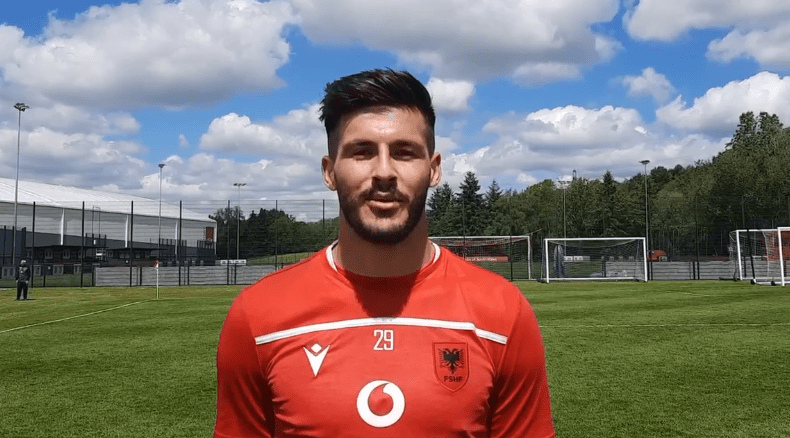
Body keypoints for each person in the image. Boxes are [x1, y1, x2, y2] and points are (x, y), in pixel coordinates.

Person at [213, 69, 555, 437]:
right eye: (361, 152)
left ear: (434, 169)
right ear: (329, 172)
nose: (384, 172)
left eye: (404, 153)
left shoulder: (504, 314)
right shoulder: (258, 317)